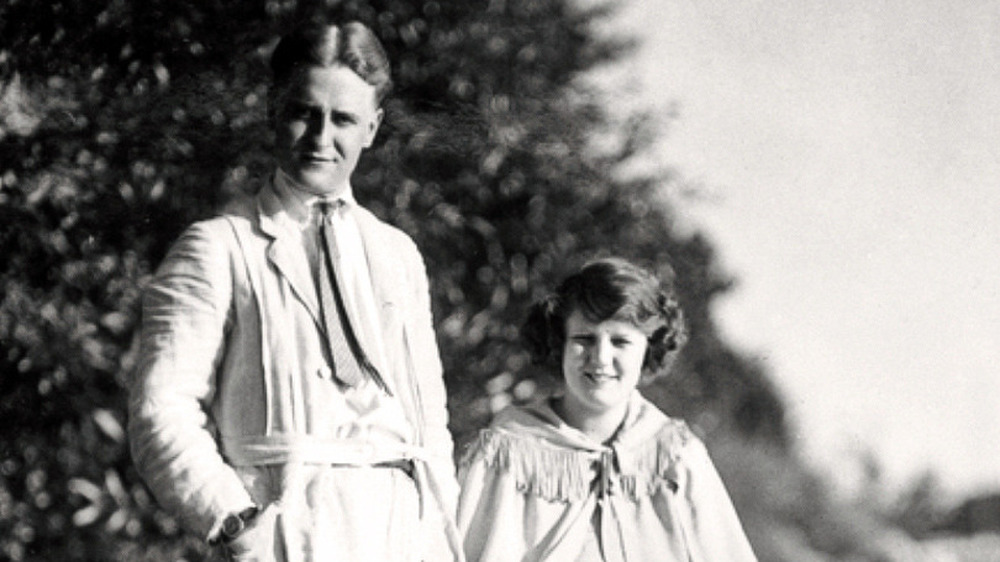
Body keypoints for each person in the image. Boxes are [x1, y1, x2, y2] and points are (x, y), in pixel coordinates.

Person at [128, 21, 461, 561]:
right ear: (272, 113)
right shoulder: (219, 247)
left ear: (372, 128)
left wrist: (440, 527)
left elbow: (433, 422)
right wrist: (235, 522)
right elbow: (159, 408)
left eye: (344, 119)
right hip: (291, 526)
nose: (321, 138)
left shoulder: (398, 254)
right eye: (305, 112)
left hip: (404, 529)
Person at [457, 257, 757, 561]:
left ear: (648, 347)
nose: (600, 358)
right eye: (584, 339)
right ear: (559, 343)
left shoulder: (675, 456)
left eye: (620, 341)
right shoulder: (510, 450)